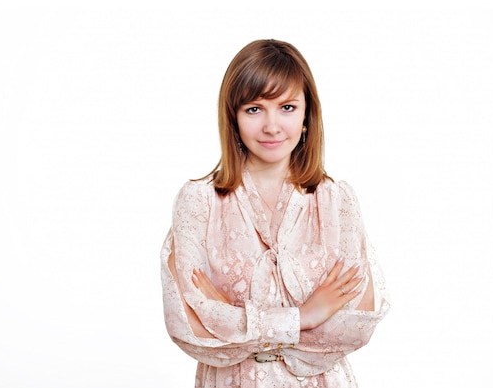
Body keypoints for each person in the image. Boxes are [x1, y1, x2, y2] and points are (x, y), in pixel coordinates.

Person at [160, 39, 390, 387]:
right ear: (233, 117)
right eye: (254, 109)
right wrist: (306, 316)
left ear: (306, 115)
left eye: (287, 107)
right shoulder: (198, 204)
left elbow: (357, 324)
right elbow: (189, 327)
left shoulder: (336, 202)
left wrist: (236, 320)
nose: (271, 126)